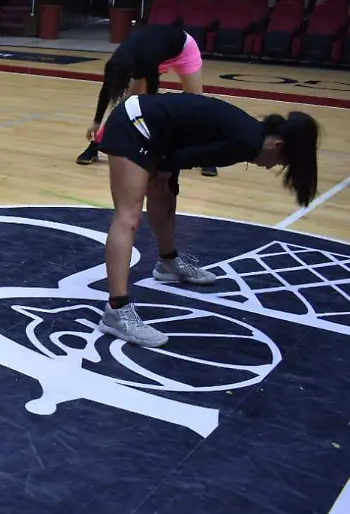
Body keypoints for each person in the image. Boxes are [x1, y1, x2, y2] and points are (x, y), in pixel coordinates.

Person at [95, 92, 319, 348]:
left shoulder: (250, 134)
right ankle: (117, 311)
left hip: (161, 133)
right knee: (129, 215)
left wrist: (164, 172)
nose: (271, 167)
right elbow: (186, 157)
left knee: (164, 195)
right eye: (280, 162)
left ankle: (168, 263)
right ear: (277, 145)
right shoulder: (246, 143)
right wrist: (163, 169)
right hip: (135, 124)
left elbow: (183, 154)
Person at [77, 24, 219, 177]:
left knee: (196, 104)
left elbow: (151, 101)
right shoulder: (117, 61)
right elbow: (107, 89)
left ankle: (208, 156)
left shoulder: (147, 62)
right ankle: (96, 145)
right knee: (127, 104)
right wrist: (96, 121)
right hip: (153, 52)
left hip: (183, 50)